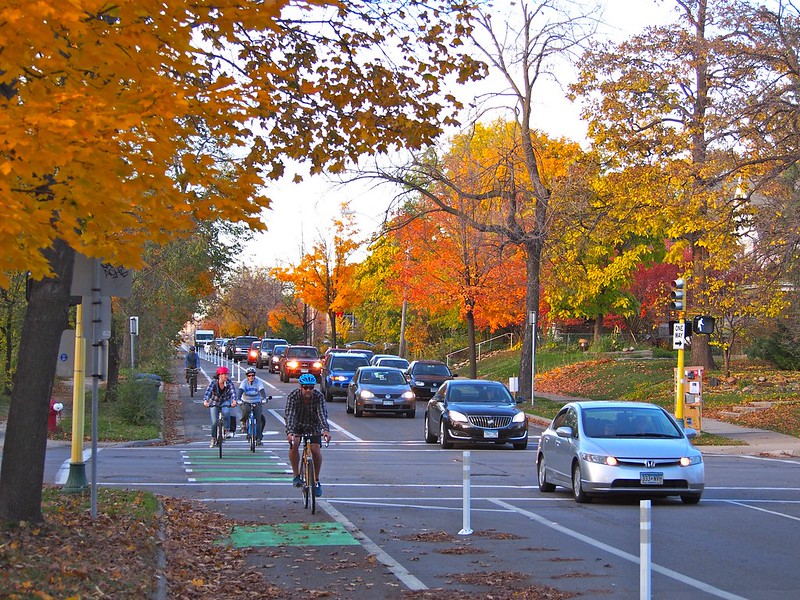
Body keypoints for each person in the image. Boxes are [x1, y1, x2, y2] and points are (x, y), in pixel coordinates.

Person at [285, 373, 331, 496]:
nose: (308, 390)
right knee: (294, 445)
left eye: (311, 387)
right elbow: (290, 415)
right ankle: (296, 475)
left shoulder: (318, 397)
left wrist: (326, 430)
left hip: (313, 425)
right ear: (301, 387)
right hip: (297, 424)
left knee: (315, 450)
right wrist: (290, 432)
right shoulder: (293, 396)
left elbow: (322, 414)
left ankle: (316, 480)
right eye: (305, 387)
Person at [203, 366, 237, 447]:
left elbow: (233, 392)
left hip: (225, 401)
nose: (226, 376)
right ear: (219, 375)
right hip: (214, 402)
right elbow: (208, 392)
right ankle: (213, 438)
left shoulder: (229, 383)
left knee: (226, 412)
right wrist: (205, 401)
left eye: (227, 374)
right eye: (224, 374)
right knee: (214, 422)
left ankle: (227, 430)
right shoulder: (214, 382)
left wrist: (234, 400)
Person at [238, 367, 268, 444]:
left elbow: (262, 390)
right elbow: (240, 390)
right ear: (246, 376)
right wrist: (238, 399)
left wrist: (264, 398)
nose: (251, 377)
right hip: (246, 401)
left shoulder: (258, 382)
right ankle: (243, 422)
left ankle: (258, 438)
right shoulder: (244, 382)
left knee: (259, 419)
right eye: (249, 375)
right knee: (246, 410)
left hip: (257, 402)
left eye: (253, 375)